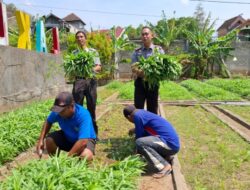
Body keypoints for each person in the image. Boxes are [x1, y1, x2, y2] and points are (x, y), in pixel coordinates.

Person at [123, 105, 180, 178]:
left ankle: (165, 166)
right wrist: (134, 130)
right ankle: (165, 156)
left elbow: (139, 137)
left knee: (140, 142)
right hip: (172, 143)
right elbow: (146, 129)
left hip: (170, 145)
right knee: (143, 142)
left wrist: (135, 153)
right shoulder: (141, 113)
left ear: (128, 117)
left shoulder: (137, 117)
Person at [36, 91, 96, 161]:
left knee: (86, 155)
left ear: (71, 106)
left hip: (86, 139)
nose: (60, 113)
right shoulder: (58, 111)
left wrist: (66, 160)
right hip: (68, 137)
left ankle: (77, 169)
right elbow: (48, 121)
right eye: (58, 110)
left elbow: (83, 141)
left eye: (62, 111)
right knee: (49, 140)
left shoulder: (83, 115)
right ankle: (55, 163)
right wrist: (41, 140)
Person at [72, 31, 101, 135]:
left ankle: (93, 133)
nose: (80, 39)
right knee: (77, 108)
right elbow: (72, 69)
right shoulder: (74, 54)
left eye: (81, 37)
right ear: (76, 40)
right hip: (79, 81)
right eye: (78, 37)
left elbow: (98, 67)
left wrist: (89, 70)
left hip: (91, 81)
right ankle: (79, 133)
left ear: (85, 38)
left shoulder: (93, 52)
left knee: (91, 106)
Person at [131, 26, 165, 114]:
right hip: (140, 84)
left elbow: (162, 67)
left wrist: (150, 73)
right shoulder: (137, 52)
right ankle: (140, 128)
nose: (144, 36)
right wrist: (143, 73)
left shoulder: (159, 51)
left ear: (152, 35)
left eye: (146, 34)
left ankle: (151, 128)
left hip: (153, 84)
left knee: (152, 109)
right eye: (143, 34)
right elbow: (134, 67)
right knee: (138, 110)